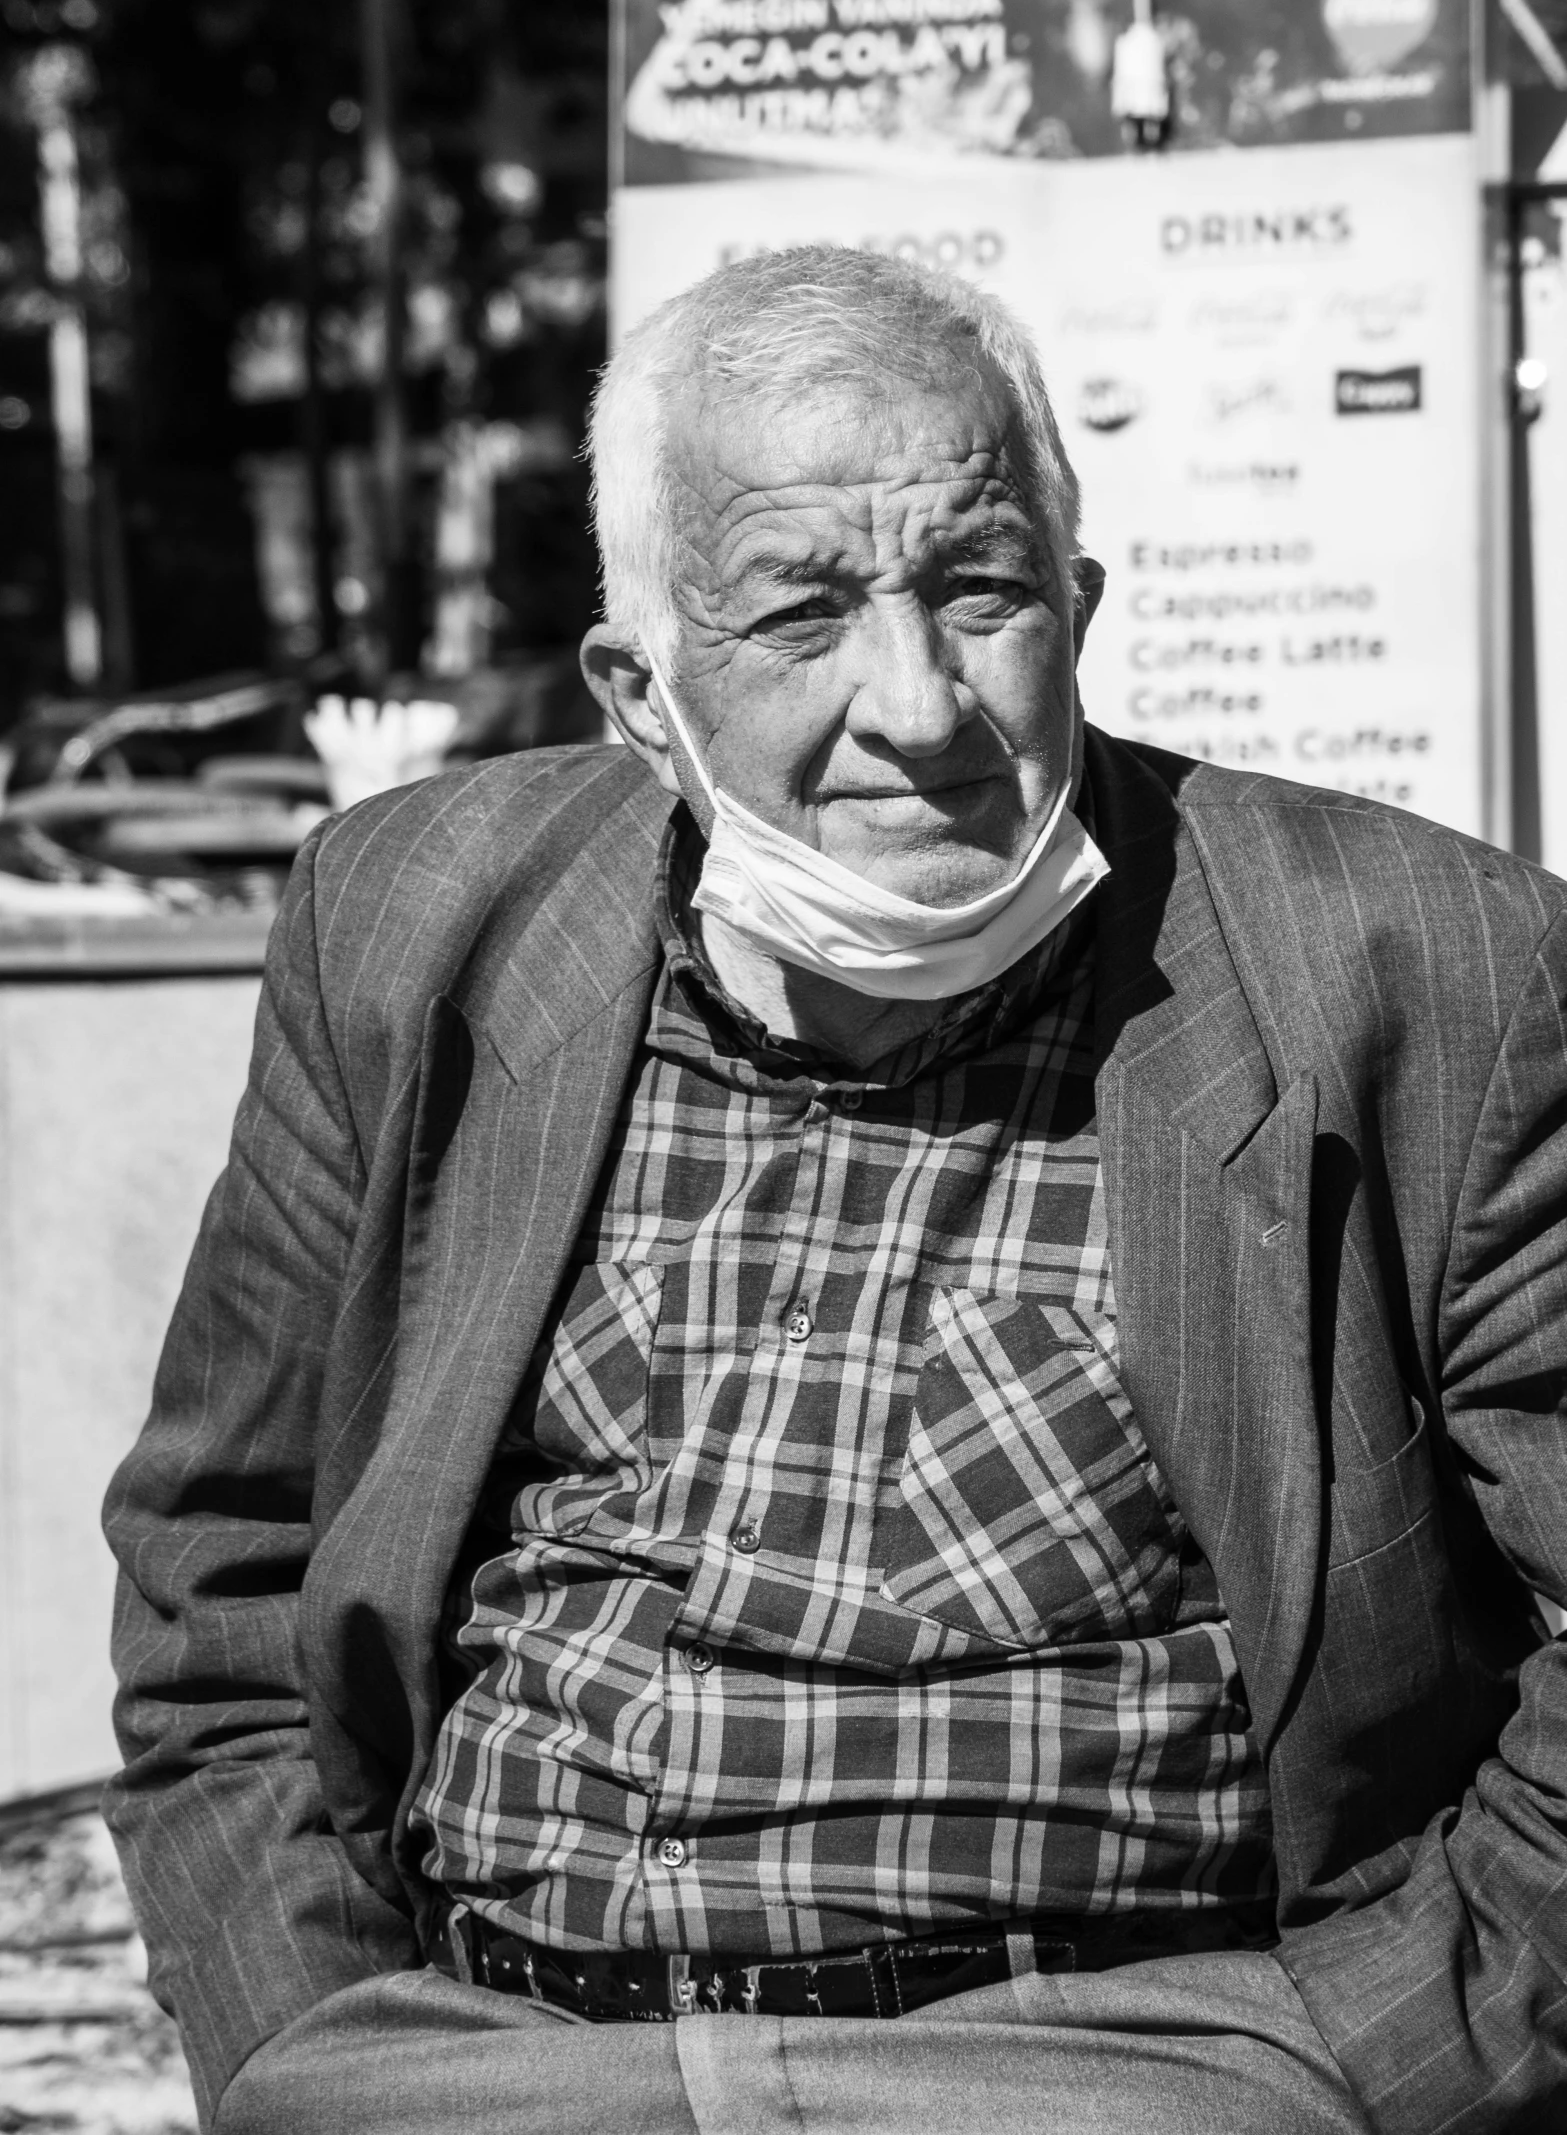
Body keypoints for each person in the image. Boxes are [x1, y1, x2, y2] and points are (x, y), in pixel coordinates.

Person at [105, 247, 1567, 2135]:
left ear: (1080, 602)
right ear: (641, 690)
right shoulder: (410, 922)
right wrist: (308, 2041)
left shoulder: (1420, 964)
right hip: (471, 2055)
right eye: (799, 612)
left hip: (1127, 2069)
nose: (920, 703)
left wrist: (1388, 2056)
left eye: (981, 590)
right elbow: (222, 1565)